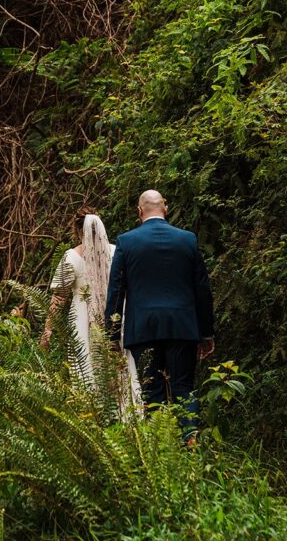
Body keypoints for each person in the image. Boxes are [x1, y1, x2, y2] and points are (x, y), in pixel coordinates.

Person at [104, 190, 215, 443]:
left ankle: (161, 449)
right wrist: (206, 332)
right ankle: (190, 441)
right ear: (165, 207)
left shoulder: (127, 241)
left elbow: (116, 290)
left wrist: (111, 335)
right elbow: (202, 289)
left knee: (151, 391)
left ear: (139, 211)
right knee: (183, 389)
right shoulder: (187, 240)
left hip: (143, 328)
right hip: (182, 327)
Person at [41, 207, 142, 414]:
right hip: (115, 315)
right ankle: (126, 412)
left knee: (87, 364)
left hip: (83, 319)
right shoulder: (117, 252)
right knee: (119, 363)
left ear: (78, 230)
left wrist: (48, 330)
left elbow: (59, 297)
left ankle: (93, 412)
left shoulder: (71, 257)